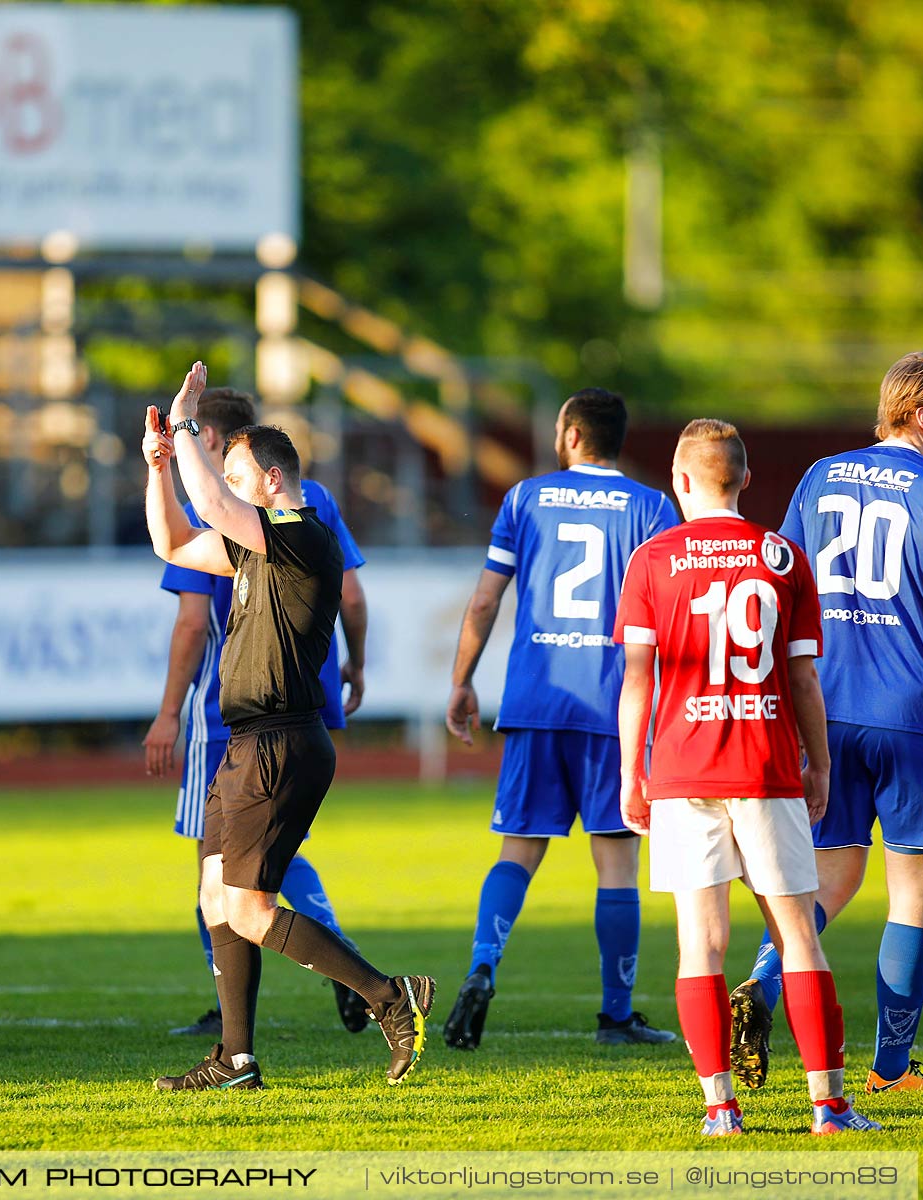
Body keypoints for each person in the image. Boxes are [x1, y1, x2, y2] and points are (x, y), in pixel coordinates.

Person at [143, 363, 432, 1091]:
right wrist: (158, 468)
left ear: (272, 480)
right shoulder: (256, 543)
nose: (227, 491)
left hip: (280, 741)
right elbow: (173, 543)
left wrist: (184, 424)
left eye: (238, 476)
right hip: (247, 743)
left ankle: (388, 997)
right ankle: (235, 1060)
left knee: (247, 907)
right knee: (217, 900)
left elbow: (207, 501)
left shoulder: (302, 534)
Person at [731, 351, 923, 1096]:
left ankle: (762, 979)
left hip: (828, 713)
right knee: (913, 891)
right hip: (913, 714)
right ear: (922, 414)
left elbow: (778, 583)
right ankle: (891, 1068)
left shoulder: (820, 475)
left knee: (831, 874)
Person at [616, 418, 880, 1137]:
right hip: (765, 769)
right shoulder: (783, 556)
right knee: (798, 936)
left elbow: (637, 679)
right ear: (746, 479)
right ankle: (828, 1106)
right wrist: (819, 762)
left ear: (680, 481)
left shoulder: (651, 559)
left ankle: (720, 1111)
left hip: (680, 768)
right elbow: (803, 678)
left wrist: (629, 772)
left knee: (698, 943)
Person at [441, 387, 680, 1051]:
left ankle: (482, 967)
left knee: (517, 851)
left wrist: (462, 681)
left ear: (571, 435)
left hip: (537, 701)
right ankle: (615, 1015)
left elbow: (486, 602)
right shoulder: (653, 507)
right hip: (613, 708)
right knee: (616, 866)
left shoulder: (524, 499)